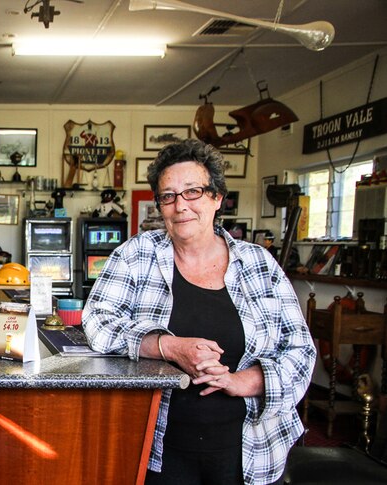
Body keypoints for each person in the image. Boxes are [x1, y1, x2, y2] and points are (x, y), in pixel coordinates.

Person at [82, 139, 315, 485]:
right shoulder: (136, 254)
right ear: (159, 205)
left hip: (250, 449)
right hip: (157, 450)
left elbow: (301, 350)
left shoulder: (259, 263)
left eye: (193, 192)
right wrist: (167, 346)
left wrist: (243, 381)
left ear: (217, 197)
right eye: (168, 196)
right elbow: (97, 320)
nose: (181, 206)